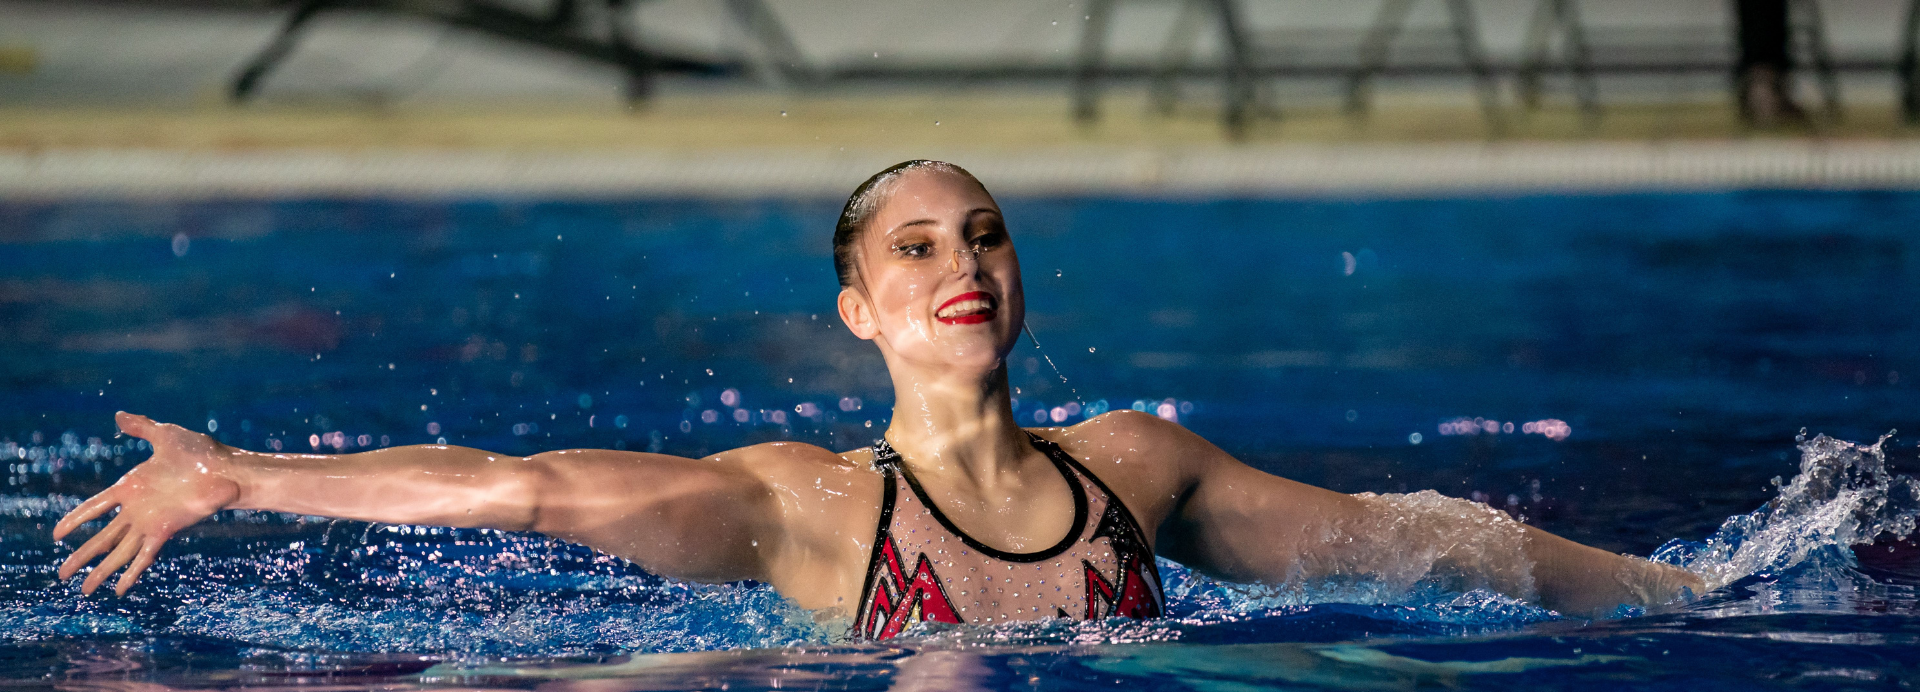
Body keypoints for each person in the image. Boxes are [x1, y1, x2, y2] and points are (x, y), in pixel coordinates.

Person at [52, 160, 1703, 639]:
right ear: (859, 310)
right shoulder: (803, 506)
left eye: (982, 234)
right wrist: (242, 475)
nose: (960, 261)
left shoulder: (1136, 466)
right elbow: (523, 485)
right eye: (915, 247)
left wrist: (1684, 596)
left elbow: (1409, 543)